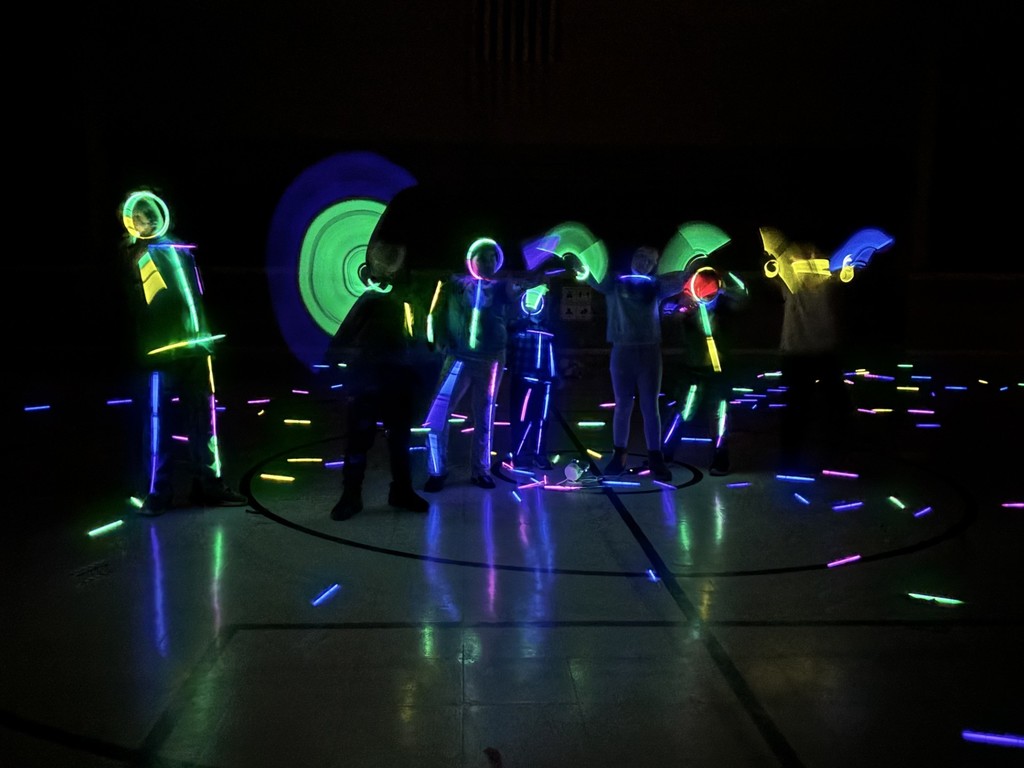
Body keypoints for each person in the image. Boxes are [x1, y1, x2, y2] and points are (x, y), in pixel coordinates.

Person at [119, 189, 247, 515]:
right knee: (158, 424)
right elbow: (150, 302)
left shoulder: (180, 249)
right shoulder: (139, 256)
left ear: (160, 216)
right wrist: (137, 267)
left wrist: (204, 340)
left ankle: (209, 486)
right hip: (162, 353)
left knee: (205, 422)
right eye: (136, 218)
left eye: (146, 216)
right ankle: (157, 493)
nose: (142, 222)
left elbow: (193, 300)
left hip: (196, 349)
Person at [326, 239, 434, 520]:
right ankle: (351, 495)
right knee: (359, 441)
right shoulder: (368, 300)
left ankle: (401, 490)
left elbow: (420, 339)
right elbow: (340, 341)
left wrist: (419, 368)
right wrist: (343, 372)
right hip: (367, 383)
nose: (389, 270)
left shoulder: (406, 298)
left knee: (399, 440)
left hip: (398, 383)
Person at [422, 237, 539, 491]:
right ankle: (436, 470)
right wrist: (439, 340)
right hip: (457, 357)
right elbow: (436, 313)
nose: (488, 262)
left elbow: (520, 308)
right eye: (482, 257)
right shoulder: (454, 284)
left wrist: (531, 291)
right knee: (438, 414)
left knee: (485, 415)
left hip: (490, 359)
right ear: (470, 258)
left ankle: (481, 470)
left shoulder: (502, 288)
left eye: (492, 258)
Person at [565, 245, 687, 481]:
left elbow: (681, 281)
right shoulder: (616, 282)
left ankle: (656, 458)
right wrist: (580, 265)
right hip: (622, 351)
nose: (644, 262)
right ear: (632, 257)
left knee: (650, 406)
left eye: (650, 260)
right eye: (640, 256)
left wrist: (692, 272)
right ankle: (619, 456)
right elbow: (591, 277)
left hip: (649, 352)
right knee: (623, 405)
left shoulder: (655, 285)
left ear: (654, 265)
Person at [760, 226, 853, 473]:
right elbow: (774, 269)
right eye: (805, 254)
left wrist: (845, 271)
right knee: (796, 409)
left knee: (839, 406)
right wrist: (778, 261)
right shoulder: (791, 282)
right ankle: (789, 460)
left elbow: (843, 276)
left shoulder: (827, 281)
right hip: (796, 355)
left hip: (825, 353)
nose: (812, 258)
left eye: (815, 254)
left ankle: (840, 452)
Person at [660, 263, 749, 476]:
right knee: (684, 411)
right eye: (703, 288)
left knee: (720, 414)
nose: (707, 296)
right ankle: (665, 451)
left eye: (711, 290)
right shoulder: (687, 306)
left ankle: (720, 455)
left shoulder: (726, 306)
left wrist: (726, 281)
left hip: (720, 372)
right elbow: (666, 311)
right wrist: (680, 309)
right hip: (694, 370)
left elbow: (744, 295)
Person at [506, 283, 558, 470]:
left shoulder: (548, 327)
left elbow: (552, 353)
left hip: (544, 382)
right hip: (522, 380)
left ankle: (539, 454)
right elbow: (508, 348)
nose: (533, 303)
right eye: (530, 299)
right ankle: (518, 453)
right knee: (520, 418)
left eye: (537, 300)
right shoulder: (516, 325)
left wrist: (554, 376)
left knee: (542, 419)